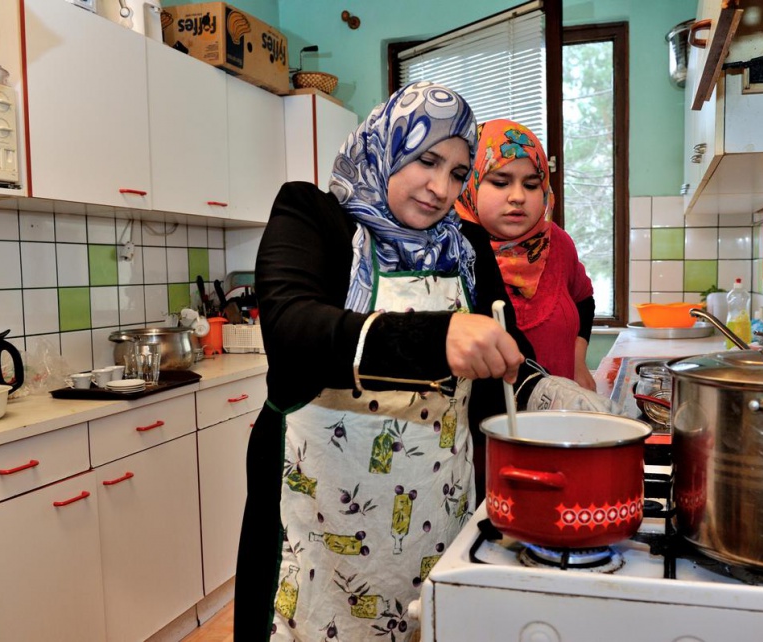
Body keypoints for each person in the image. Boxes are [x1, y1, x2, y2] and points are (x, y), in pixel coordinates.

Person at [234, 82, 610, 642]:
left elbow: (498, 359)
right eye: (426, 159)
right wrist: (437, 337)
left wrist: (541, 389)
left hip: (435, 521)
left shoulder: (467, 246)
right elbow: (293, 330)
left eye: (458, 173)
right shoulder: (314, 218)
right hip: (318, 529)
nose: (440, 188)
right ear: (387, 145)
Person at [456, 119, 598, 391]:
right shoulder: (448, 250)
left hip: (559, 422)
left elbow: (584, 300)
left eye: (532, 185)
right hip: (484, 428)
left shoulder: (557, 242)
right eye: (500, 182)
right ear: (468, 185)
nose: (518, 196)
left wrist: (578, 362)